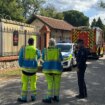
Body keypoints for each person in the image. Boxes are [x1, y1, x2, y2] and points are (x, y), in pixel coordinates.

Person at [18, 38, 40, 102]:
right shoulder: (36, 49)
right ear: (33, 43)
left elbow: (20, 58)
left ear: (28, 42)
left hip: (25, 70)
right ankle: (33, 97)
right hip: (33, 70)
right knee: (33, 83)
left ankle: (24, 98)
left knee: (25, 84)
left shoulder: (23, 49)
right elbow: (39, 56)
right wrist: (35, 60)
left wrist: (21, 65)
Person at [42, 38, 63, 103]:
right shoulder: (58, 50)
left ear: (49, 43)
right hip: (57, 70)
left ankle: (49, 98)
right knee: (57, 84)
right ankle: (56, 97)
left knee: (50, 84)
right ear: (55, 44)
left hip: (48, 70)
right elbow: (61, 59)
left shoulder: (45, 51)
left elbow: (43, 58)